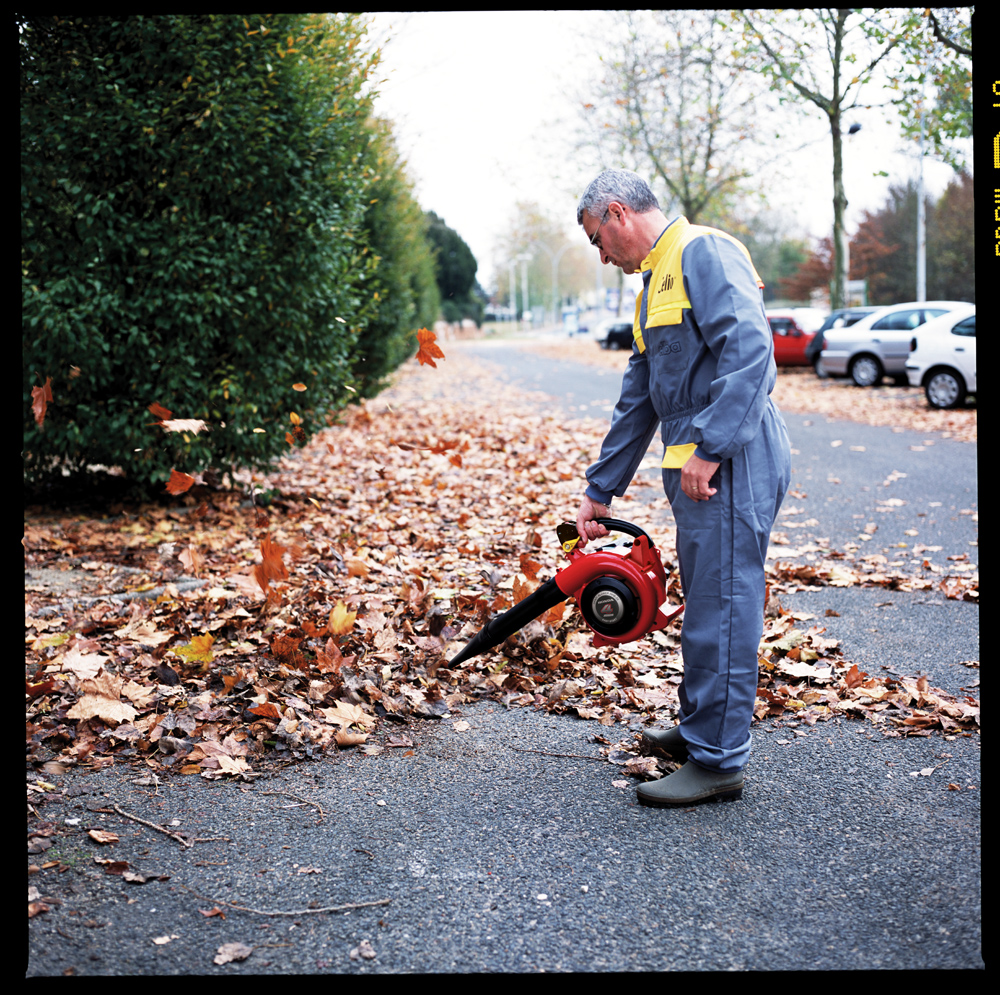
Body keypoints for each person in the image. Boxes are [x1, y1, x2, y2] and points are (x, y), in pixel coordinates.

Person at [574, 169, 791, 807]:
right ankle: (701, 730)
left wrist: (714, 447)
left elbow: (752, 353)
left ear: (616, 213)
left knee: (723, 604)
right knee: (706, 599)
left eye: (597, 240)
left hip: (731, 460)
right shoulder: (650, 286)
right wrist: (600, 489)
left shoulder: (703, 252)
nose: (601, 254)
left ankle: (720, 761)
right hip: (701, 469)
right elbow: (639, 395)